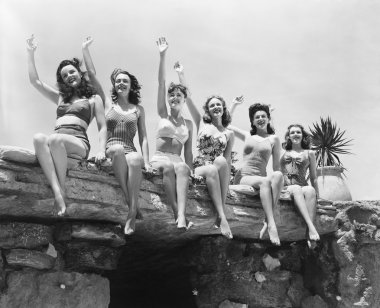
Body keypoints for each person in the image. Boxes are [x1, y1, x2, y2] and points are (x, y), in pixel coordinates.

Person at [26, 35, 107, 216]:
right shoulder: (61, 98)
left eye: (71, 72)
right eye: (64, 76)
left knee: (54, 139)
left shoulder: (94, 99)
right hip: (57, 142)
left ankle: (62, 189)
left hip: (78, 143)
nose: (69, 76)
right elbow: (35, 82)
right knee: (38, 138)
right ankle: (58, 192)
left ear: (79, 73)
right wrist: (30, 53)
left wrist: (101, 150)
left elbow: (102, 127)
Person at [82, 37, 152, 235]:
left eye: (125, 81)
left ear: (131, 86)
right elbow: (93, 76)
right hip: (111, 148)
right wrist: (85, 49)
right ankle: (131, 202)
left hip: (131, 150)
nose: (121, 83)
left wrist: (146, 161)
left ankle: (131, 211)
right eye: (118, 80)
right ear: (114, 84)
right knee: (119, 150)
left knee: (136, 157)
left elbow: (144, 137)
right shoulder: (107, 103)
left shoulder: (138, 109)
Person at [175, 62, 234, 239]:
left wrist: (228, 184)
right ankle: (222, 217)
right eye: (212, 105)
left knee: (222, 161)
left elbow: (228, 160)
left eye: (219, 105)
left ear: (223, 108)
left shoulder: (229, 133)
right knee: (212, 167)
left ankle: (220, 212)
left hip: (218, 167)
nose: (216, 107)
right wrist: (181, 74)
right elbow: (188, 97)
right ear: (208, 110)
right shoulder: (202, 122)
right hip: (201, 166)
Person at [150, 37, 194, 229]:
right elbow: (161, 83)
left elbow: (189, 153)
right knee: (168, 168)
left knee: (183, 168)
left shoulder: (189, 124)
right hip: (160, 158)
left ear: (184, 100)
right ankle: (178, 214)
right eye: (172, 94)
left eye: (179, 95)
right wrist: (162, 55)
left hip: (178, 159)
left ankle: (182, 214)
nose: (174, 97)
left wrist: (191, 169)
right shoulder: (163, 113)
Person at [229, 100, 283, 245]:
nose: (260, 119)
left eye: (263, 116)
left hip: (261, 177)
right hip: (244, 177)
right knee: (265, 181)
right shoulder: (247, 135)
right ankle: (271, 224)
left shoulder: (273, 139)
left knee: (278, 175)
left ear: (268, 119)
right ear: (252, 121)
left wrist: (281, 184)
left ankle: (268, 217)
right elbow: (226, 124)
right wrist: (234, 105)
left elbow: (277, 166)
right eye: (257, 117)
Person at [280, 124, 320, 246]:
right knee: (296, 188)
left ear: (303, 136)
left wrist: (318, 193)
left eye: (298, 132)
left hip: (303, 184)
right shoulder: (283, 152)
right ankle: (311, 227)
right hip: (288, 186)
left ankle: (309, 235)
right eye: (292, 132)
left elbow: (313, 176)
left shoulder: (310, 153)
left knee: (310, 190)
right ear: (288, 136)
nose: (295, 134)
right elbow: (279, 172)